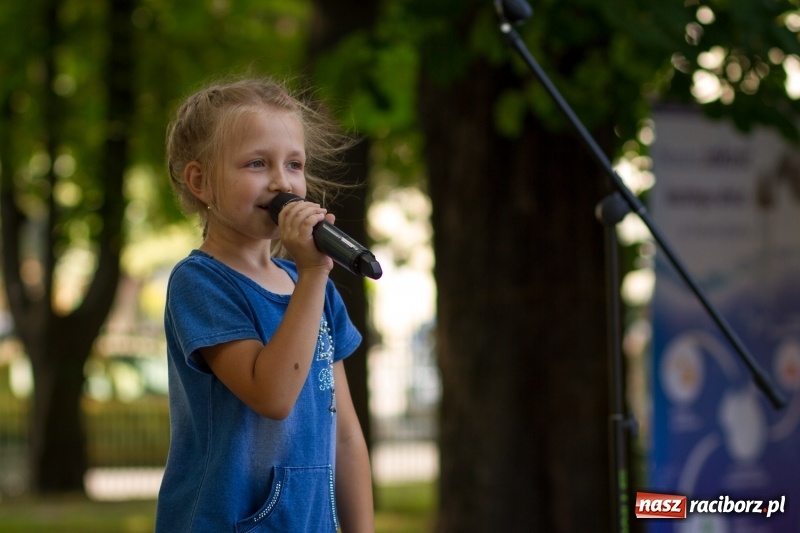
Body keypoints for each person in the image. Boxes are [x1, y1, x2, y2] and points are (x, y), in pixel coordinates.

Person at [155, 76, 374, 532]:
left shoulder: (315, 288)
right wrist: (314, 273)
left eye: (294, 164)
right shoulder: (199, 283)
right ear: (201, 182)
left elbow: (347, 435)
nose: (282, 183)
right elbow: (272, 395)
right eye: (257, 163)